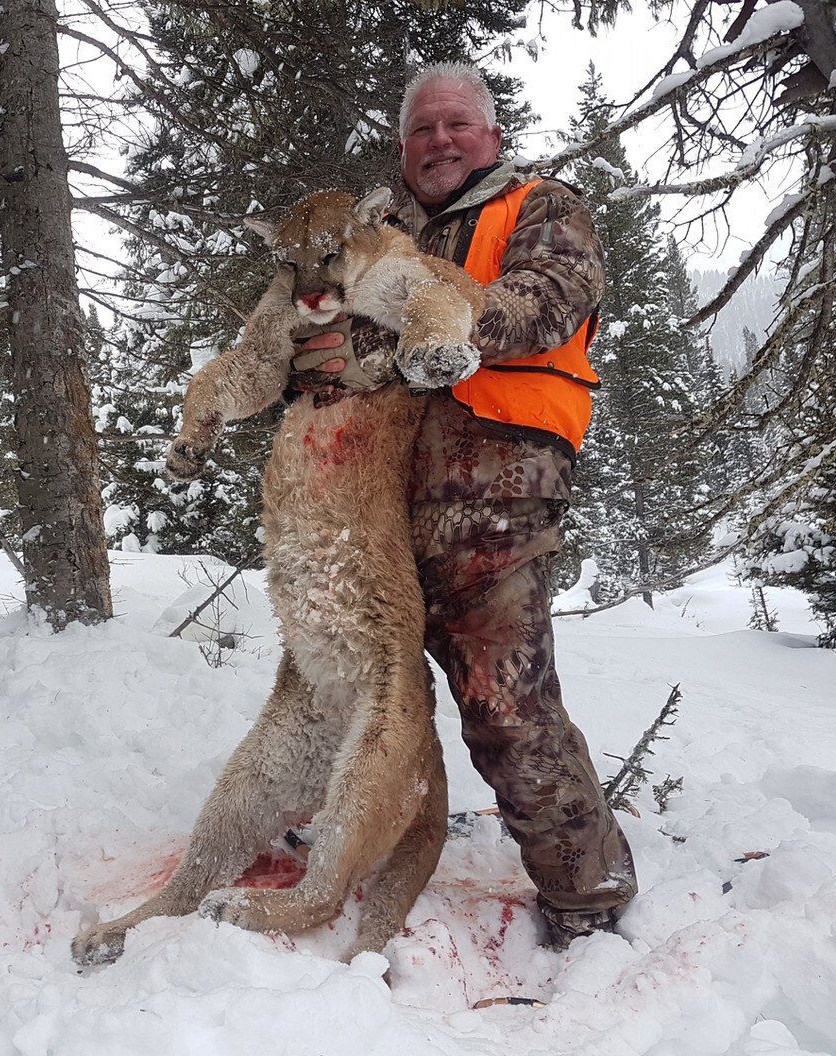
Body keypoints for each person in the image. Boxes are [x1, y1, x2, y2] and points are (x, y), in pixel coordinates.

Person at [288, 62, 637, 947]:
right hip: (373, 489)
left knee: (500, 697)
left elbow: (546, 303)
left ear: (492, 136)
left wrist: (437, 324)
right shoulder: (377, 230)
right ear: (403, 147)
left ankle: (587, 892)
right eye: (421, 130)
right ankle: (355, 831)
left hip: (496, 484)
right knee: (360, 675)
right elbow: (321, 325)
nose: (439, 142)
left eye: (457, 125)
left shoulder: (541, 208)